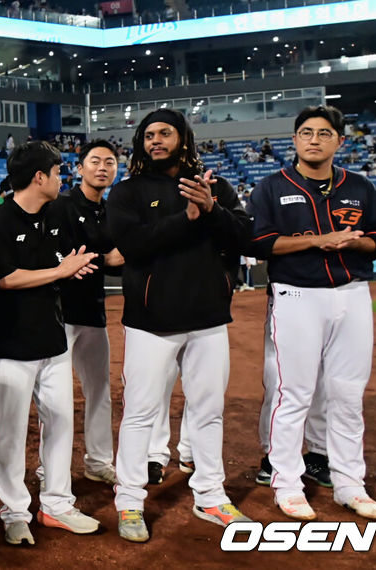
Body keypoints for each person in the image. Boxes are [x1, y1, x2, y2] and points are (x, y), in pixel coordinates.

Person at [107, 108, 253, 543]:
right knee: (140, 414)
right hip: (151, 323)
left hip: (208, 320)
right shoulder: (128, 192)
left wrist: (210, 209)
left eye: (164, 133)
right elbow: (131, 245)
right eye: (148, 134)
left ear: (182, 138)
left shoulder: (216, 186)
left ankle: (210, 494)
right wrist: (186, 219)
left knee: (208, 412)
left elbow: (245, 238)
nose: (155, 140)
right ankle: (129, 500)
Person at [247, 105, 376, 521]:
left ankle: (350, 483)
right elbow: (259, 243)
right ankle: (287, 483)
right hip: (297, 295)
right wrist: (319, 241)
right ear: (295, 140)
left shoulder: (361, 186)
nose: (314, 139)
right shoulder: (272, 187)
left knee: (347, 395)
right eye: (307, 132)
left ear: (339, 141)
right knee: (293, 393)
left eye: (324, 133)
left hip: (352, 294)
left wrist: (356, 243)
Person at [0, 142, 101, 547]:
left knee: (61, 424)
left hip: (53, 340)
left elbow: (65, 260)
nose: (61, 178)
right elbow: (5, 279)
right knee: (11, 434)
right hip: (10, 343)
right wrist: (60, 269)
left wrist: (72, 268)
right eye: (56, 172)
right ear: (39, 177)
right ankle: (14, 511)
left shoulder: (60, 213)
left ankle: (56, 504)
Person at [48, 139, 125, 486]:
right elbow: (63, 256)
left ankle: (97, 461)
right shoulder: (60, 206)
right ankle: (49, 468)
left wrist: (104, 258)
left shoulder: (112, 212)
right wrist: (103, 256)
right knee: (55, 396)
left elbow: (117, 261)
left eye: (110, 162)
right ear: (79, 168)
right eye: (95, 161)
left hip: (93, 312)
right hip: (60, 313)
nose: (102, 167)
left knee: (99, 390)